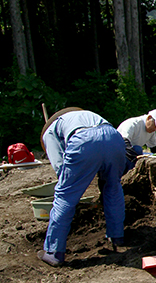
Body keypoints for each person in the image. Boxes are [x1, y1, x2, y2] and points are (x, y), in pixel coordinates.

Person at [38, 108, 126, 266]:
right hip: (114, 137)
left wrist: (73, 183)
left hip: (84, 140)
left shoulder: (49, 133)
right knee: (112, 186)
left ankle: (54, 252)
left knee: (64, 196)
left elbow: (59, 167)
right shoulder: (81, 116)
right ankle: (117, 236)